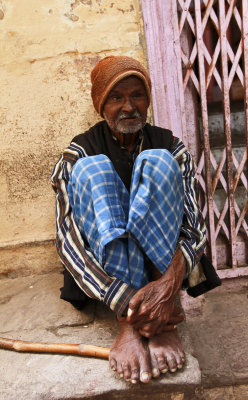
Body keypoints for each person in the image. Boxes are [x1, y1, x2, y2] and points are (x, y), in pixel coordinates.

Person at [51, 55, 207, 384]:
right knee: (92, 171)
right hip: (113, 279)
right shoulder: (78, 152)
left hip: (162, 271)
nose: (128, 107)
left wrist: (168, 287)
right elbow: (68, 240)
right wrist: (125, 302)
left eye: (137, 95)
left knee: (159, 162)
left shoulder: (171, 146)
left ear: (148, 100)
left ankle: (164, 319)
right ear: (100, 105)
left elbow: (194, 227)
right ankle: (130, 323)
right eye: (116, 97)